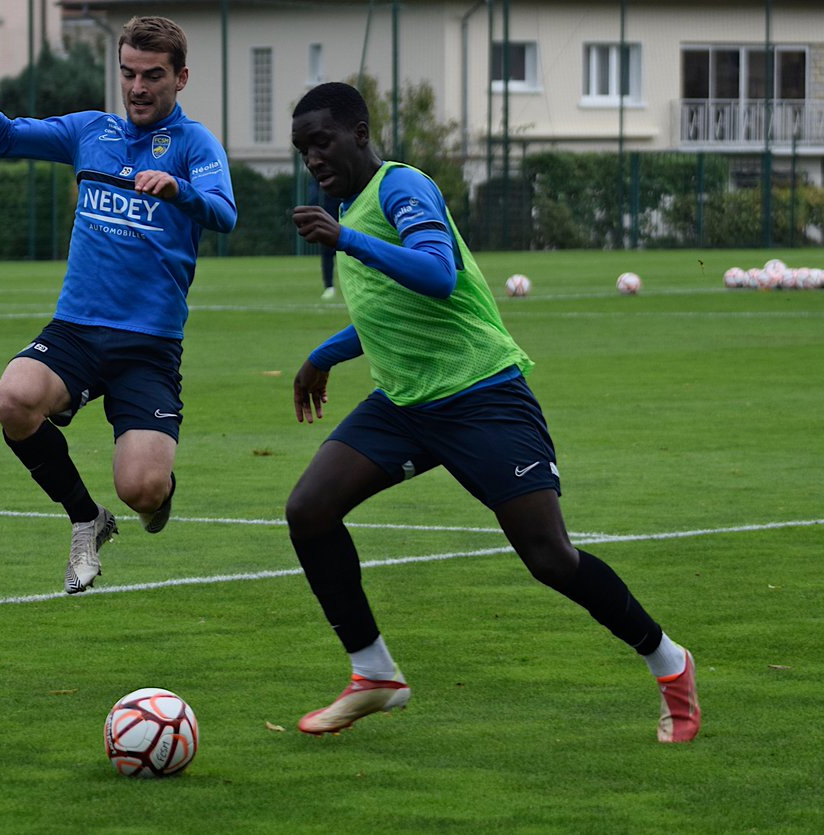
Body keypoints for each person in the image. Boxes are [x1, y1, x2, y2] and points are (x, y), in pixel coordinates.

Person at [286, 82, 699, 742]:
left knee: (550, 558)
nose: (313, 159)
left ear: (361, 133)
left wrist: (347, 240)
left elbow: (436, 274)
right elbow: (390, 313)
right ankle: (374, 673)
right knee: (308, 509)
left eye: (323, 142)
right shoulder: (348, 206)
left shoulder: (401, 188)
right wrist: (325, 353)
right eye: (303, 149)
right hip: (403, 402)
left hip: (482, 395)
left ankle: (669, 661)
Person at [0, 17, 236, 594]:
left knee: (142, 489)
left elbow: (224, 213)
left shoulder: (194, 144)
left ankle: (153, 494)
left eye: (153, 75)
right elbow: (1, 139)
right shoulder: (91, 131)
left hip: (149, 346)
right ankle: (87, 519)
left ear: (180, 78)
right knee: (13, 397)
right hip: (78, 330)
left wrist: (179, 190)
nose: (137, 87)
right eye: (129, 73)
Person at [307, 178, 343, 300]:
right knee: (327, 253)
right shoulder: (320, 178)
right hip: (327, 217)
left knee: (350, 252)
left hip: (342, 217)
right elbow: (313, 196)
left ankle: (353, 284)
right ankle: (329, 286)